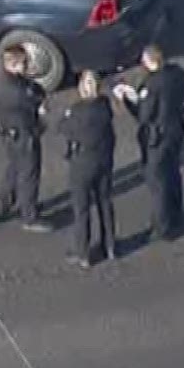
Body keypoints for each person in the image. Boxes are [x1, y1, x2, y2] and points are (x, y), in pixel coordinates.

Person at [118, 43, 184, 242]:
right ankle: (177, 214)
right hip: (176, 129)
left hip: (156, 136)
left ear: (148, 61)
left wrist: (127, 99)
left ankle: (162, 226)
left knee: (158, 181)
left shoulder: (151, 84)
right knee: (173, 171)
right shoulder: (179, 73)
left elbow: (144, 115)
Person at [0, 44, 51, 230]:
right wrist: (42, 111)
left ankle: (2, 207)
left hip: (9, 132)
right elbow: (36, 98)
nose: (27, 66)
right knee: (29, 174)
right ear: (14, 64)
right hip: (26, 134)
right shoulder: (18, 92)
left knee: (14, 170)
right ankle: (29, 216)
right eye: (24, 63)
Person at [59, 71, 118, 268]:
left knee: (82, 209)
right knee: (105, 203)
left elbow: (64, 128)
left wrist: (66, 115)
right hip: (104, 160)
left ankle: (83, 253)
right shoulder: (105, 105)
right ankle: (110, 246)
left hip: (82, 163)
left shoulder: (77, 110)